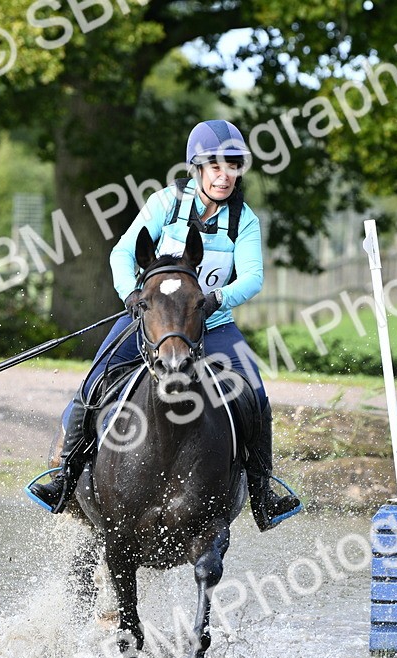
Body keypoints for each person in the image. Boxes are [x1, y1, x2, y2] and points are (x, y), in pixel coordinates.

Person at [28, 119, 303, 531]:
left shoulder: (243, 219)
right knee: (93, 383)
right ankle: (65, 476)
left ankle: (263, 492)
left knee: (255, 395)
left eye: (232, 166)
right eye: (215, 166)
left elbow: (253, 277)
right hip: (153, 321)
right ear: (198, 168)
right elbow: (123, 253)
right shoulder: (166, 202)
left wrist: (216, 299)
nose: (224, 175)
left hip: (212, 323)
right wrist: (131, 294)